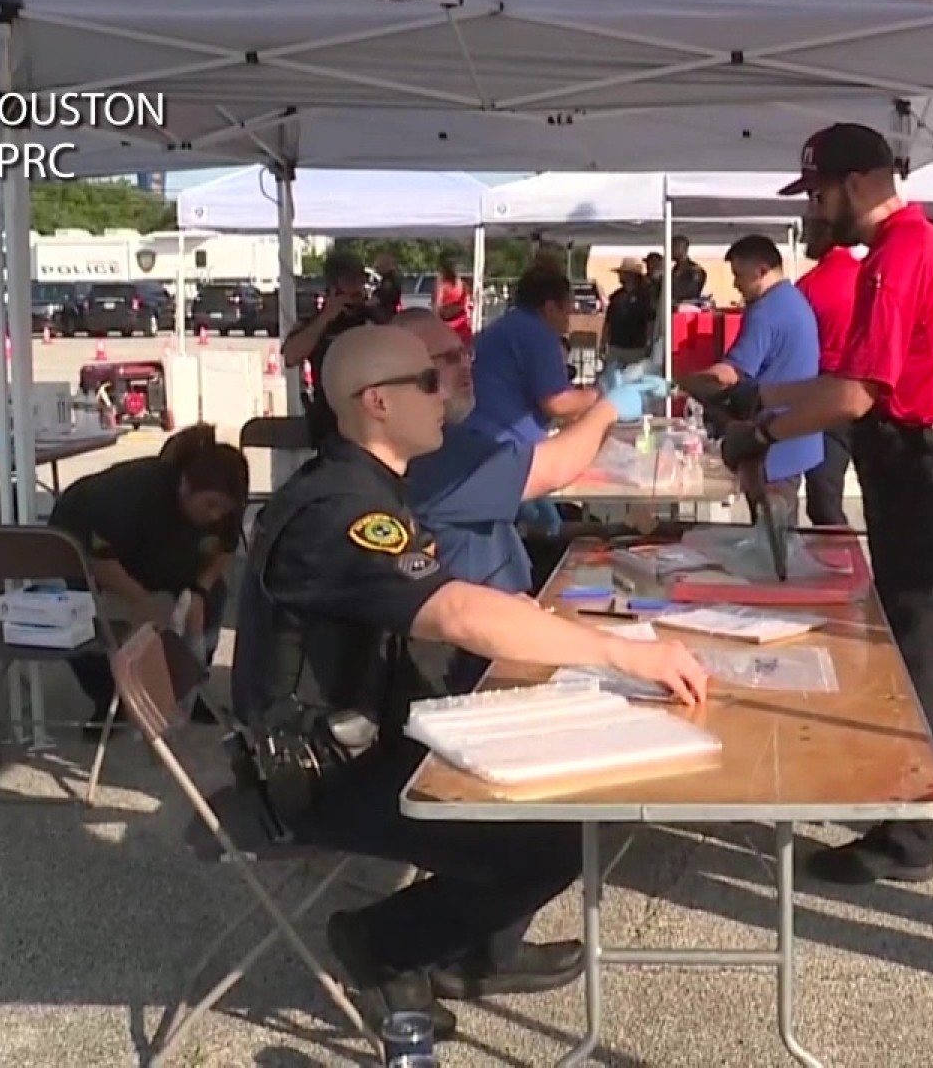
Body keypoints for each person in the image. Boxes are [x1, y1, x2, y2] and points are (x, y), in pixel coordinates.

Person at [231, 322, 708, 1032]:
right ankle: (382, 943)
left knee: (567, 776)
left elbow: (435, 598)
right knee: (546, 842)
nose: (442, 392)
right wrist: (627, 656)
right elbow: (452, 609)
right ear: (376, 403)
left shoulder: (367, 484)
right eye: (425, 380)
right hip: (321, 773)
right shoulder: (342, 511)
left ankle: (466, 951)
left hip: (374, 736)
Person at [714, 123, 933, 886]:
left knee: (921, 649)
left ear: (861, 182)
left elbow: (856, 393)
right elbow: (849, 381)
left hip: (926, 463)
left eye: (820, 190)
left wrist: (760, 430)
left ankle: (908, 836)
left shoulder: (898, 260)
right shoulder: (907, 250)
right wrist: (759, 396)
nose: (814, 207)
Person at [402, 310, 654, 688]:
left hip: (505, 622)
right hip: (473, 659)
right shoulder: (432, 450)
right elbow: (553, 467)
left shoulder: (448, 438)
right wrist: (607, 409)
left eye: (466, 353)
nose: (467, 365)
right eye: (449, 358)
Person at [50, 424, 248, 736]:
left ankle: (187, 685)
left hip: (162, 551)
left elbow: (225, 548)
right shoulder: (133, 495)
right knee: (85, 617)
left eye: (224, 509)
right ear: (185, 486)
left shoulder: (227, 506)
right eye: (209, 505)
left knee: (213, 598)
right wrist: (143, 600)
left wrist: (199, 591)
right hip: (84, 540)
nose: (216, 516)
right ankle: (110, 697)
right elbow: (100, 561)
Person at [680, 234, 823, 516]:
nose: (735, 284)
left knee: (773, 533)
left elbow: (729, 374)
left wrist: (680, 381)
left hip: (773, 440)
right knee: (780, 526)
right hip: (795, 433)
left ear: (761, 271)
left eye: (739, 275)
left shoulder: (766, 311)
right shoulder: (793, 300)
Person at [463, 265, 600, 447]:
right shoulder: (538, 333)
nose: (570, 315)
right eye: (568, 307)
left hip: (478, 432)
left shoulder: (507, 326)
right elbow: (556, 402)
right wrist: (604, 395)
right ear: (550, 307)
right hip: (506, 442)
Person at [794, 220, 861, 527]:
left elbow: (796, 350)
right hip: (873, 395)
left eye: (809, 228)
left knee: (823, 501)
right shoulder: (867, 274)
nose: (804, 236)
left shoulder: (810, 285)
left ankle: (844, 568)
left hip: (827, 396)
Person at [281, 252, 382, 449]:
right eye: (350, 281)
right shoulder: (316, 323)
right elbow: (291, 356)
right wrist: (326, 317)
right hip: (329, 420)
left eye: (359, 281)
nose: (357, 287)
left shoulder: (373, 317)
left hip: (370, 418)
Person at [603, 257, 656, 365]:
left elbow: (650, 321)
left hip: (636, 347)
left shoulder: (645, 297)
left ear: (631, 276)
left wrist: (649, 342)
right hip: (616, 345)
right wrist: (603, 342)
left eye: (623, 273)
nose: (620, 276)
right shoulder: (616, 296)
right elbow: (608, 321)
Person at [432, 255, 473, 345]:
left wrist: (434, 322)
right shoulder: (461, 283)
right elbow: (466, 302)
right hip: (462, 321)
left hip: (447, 323)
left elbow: (437, 304)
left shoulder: (442, 283)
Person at [669, 234, 706, 305]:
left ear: (682, 248)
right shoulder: (674, 270)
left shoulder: (695, 271)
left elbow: (690, 293)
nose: (670, 251)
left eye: (673, 247)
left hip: (687, 311)